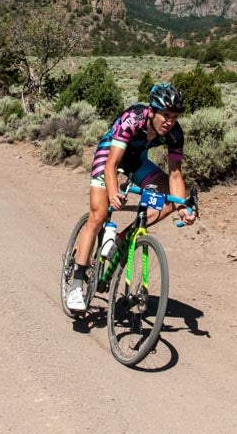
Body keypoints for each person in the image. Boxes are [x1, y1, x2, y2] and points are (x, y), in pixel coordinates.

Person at [65, 82, 196, 312]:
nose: (170, 122)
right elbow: (111, 164)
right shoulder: (133, 118)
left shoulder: (175, 134)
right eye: (166, 115)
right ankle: (76, 285)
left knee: (171, 198)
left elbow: (175, 176)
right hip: (110, 153)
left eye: (175, 117)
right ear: (152, 111)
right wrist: (113, 191)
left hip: (137, 160)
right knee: (98, 216)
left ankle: (122, 239)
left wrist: (182, 206)